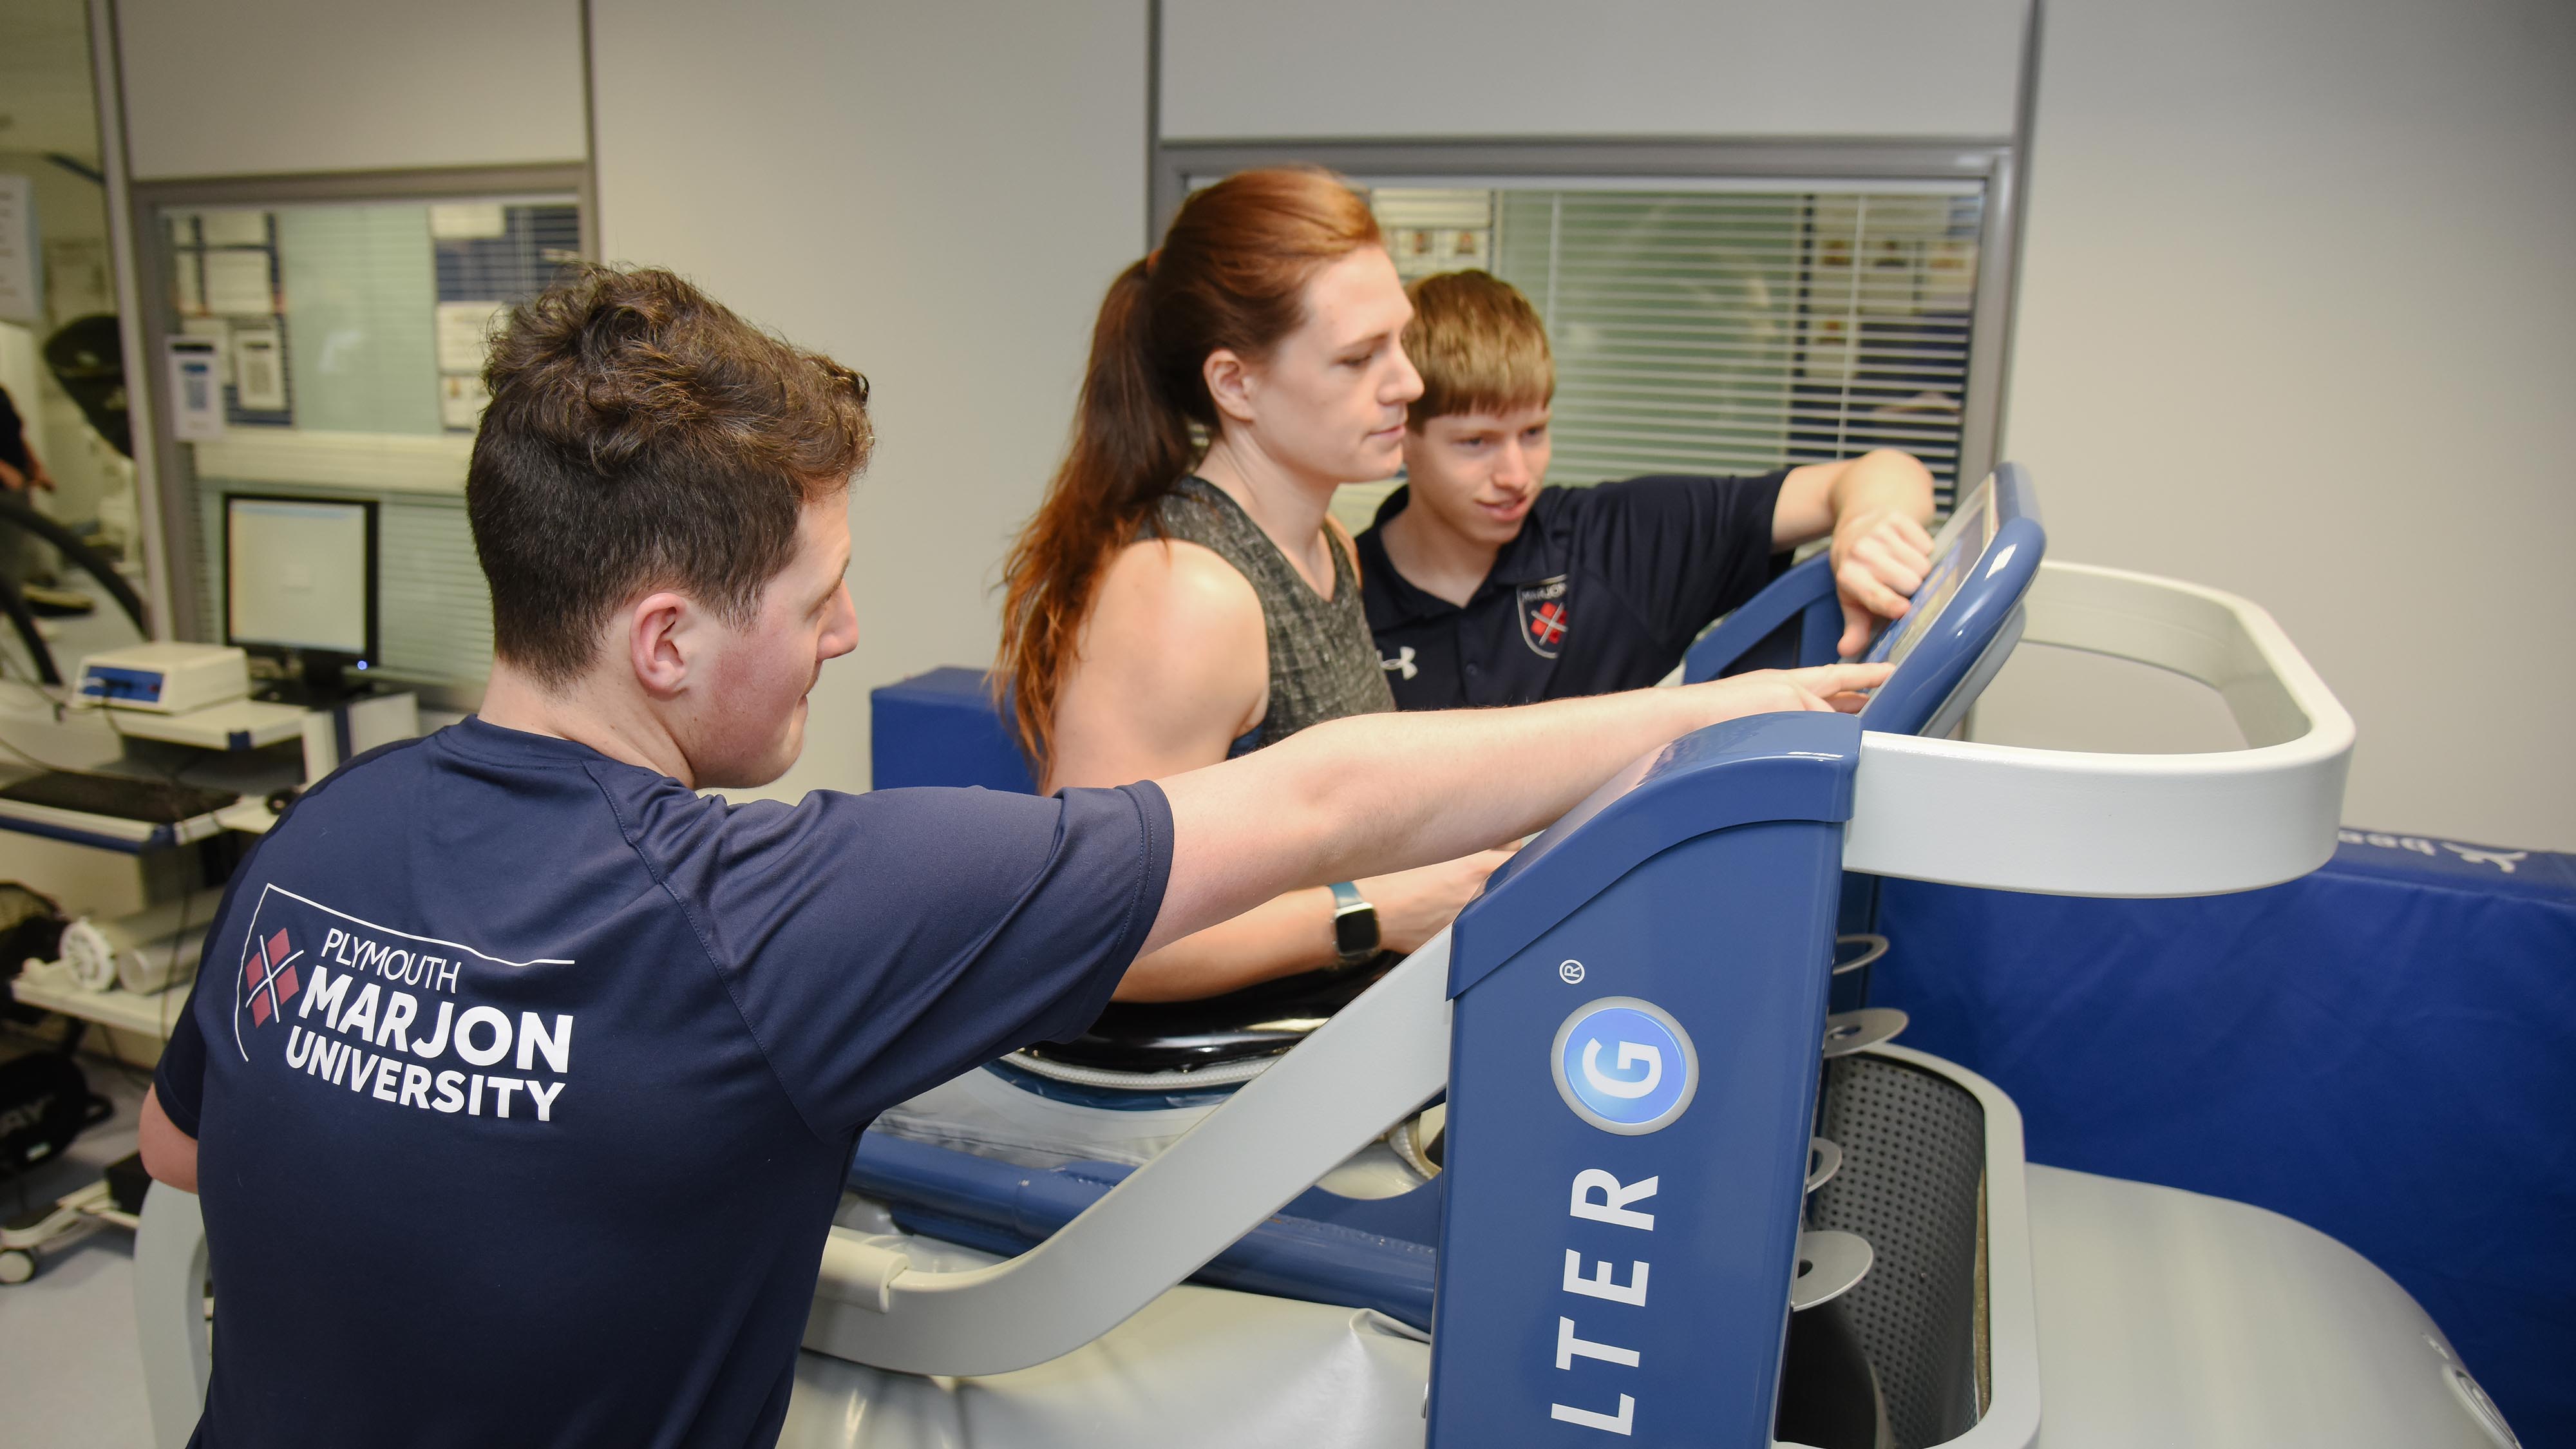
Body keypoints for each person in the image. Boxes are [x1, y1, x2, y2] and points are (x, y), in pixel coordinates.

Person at [135, 263, 1886, 1448]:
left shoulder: (313, 837)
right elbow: (1314, 803)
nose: (846, 637)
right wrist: (1727, 725)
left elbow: (181, 1151)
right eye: (816, 600)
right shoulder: (761, 921)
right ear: (663, 641)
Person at [998, 167, 1493, 1003]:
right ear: (1236, 384)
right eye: (1357, 356)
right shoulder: (1188, 594)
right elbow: (1092, 933)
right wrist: (1373, 910)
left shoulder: (1330, 543)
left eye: (1399, 341)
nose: (1407, 382)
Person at [1356, 269, 1940, 710]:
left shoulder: (1617, 539)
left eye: (1533, 432)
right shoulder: (1341, 595)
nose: (1515, 474)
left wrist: (1868, 525)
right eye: (1475, 443)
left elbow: (1888, 470)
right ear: (1402, 435)